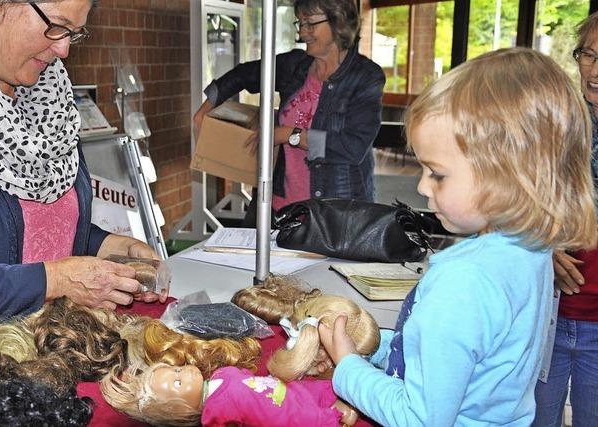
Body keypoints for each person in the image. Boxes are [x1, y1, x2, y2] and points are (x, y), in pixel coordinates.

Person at [318, 48, 598, 426]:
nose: (422, 186)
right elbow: (461, 361)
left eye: (437, 174)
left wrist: (347, 366)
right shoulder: (529, 249)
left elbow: (418, 418)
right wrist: (372, 346)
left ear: (507, 175)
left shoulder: (465, 282)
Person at [0, 0, 166, 330]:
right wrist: (54, 281)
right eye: (56, 25)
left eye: (73, 33)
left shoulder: (52, 101)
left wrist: (108, 247)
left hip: (53, 350)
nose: (64, 49)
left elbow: (40, 231)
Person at [192, 0, 384, 224]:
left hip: (334, 215)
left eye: (310, 24)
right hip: (280, 207)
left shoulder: (366, 77)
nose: (303, 33)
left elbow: (353, 147)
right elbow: (244, 74)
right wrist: (203, 111)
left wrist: (288, 134)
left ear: (339, 22)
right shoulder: (295, 65)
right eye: (300, 24)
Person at [533, 12, 598, 426]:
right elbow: (516, 205)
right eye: (588, 54)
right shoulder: (555, 124)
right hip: (547, 320)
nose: (594, 69)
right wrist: (542, 248)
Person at [101, 362, 359, 426]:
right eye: (178, 383)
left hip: (279, 390)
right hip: (281, 415)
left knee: (304, 390)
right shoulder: (215, 411)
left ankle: (332, 399)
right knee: (299, 417)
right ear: (180, 410)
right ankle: (332, 418)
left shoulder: (219, 375)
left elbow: (249, 378)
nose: (185, 373)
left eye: (177, 369)